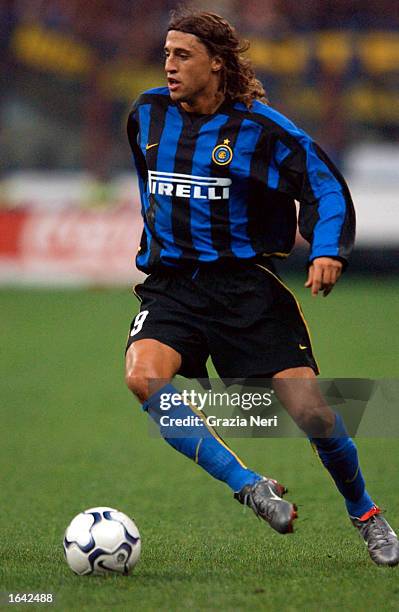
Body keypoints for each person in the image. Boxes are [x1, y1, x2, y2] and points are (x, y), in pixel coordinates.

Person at [125, 8, 399, 566]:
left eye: (183, 56)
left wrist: (326, 248)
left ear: (217, 64)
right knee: (142, 376)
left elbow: (322, 184)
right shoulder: (147, 114)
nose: (169, 67)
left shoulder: (262, 129)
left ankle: (367, 515)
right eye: (166, 55)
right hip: (172, 286)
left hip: (245, 290)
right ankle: (249, 484)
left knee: (313, 413)